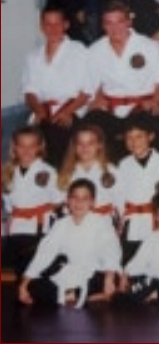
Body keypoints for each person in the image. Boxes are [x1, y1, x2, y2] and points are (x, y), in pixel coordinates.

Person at [82, 1, 159, 161]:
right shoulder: (95, 50)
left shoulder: (149, 46)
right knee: (90, 124)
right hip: (112, 110)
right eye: (109, 23)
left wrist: (155, 101)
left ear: (129, 22)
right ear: (103, 26)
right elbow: (92, 86)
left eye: (119, 22)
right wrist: (95, 101)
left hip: (142, 108)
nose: (115, 28)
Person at [18, 179, 121, 308]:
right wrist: (24, 284)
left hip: (96, 273)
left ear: (92, 202)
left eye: (85, 198)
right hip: (68, 272)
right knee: (32, 285)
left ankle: (76, 294)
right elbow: (45, 252)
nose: (79, 203)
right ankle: (74, 294)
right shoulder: (61, 224)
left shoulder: (101, 223)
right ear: (68, 200)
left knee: (103, 280)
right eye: (75, 197)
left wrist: (109, 278)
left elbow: (111, 249)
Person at [22, 5, 93, 167]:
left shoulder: (78, 50)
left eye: (57, 23)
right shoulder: (33, 56)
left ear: (65, 25)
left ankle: (61, 176)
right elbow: (29, 92)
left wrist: (67, 112)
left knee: (58, 135)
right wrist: (38, 110)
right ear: (41, 26)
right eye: (48, 24)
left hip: (72, 109)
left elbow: (87, 91)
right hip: (43, 111)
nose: (52, 29)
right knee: (28, 141)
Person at [2, 127, 61, 278]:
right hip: (16, 228)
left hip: (39, 228)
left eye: (31, 146)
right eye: (21, 145)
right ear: (14, 147)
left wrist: (40, 212)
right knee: (20, 271)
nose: (26, 150)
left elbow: (58, 200)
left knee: (38, 271)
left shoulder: (48, 171)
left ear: (40, 147)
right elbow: (8, 204)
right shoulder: (7, 172)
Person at [116, 116, 159, 266]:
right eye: (129, 138)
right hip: (132, 222)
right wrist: (120, 220)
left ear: (150, 136)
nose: (134, 142)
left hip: (155, 220)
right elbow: (119, 196)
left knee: (156, 261)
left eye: (139, 136)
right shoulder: (123, 165)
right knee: (130, 262)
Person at [55, 124, 121, 220]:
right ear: (74, 146)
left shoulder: (110, 171)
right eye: (80, 143)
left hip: (102, 222)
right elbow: (60, 201)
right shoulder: (67, 172)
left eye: (90, 143)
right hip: (74, 222)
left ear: (99, 145)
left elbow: (120, 201)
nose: (85, 147)